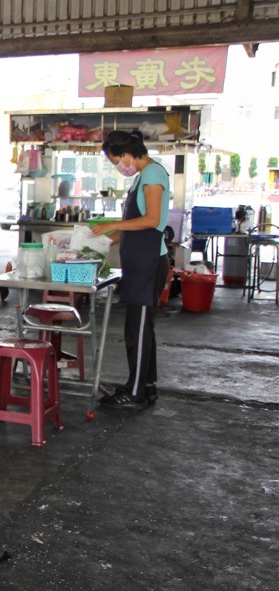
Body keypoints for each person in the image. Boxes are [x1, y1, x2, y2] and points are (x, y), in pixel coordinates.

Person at [90, 130, 171, 411]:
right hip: (139, 261)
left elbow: (151, 220)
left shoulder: (152, 174)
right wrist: (100, 239)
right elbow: (134, 226)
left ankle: (135, 391)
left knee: (137, 329)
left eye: (116, 161)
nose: (118, 167)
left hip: (149, 262)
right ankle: (146, 386)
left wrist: (113, 226)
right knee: (141, 328)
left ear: (127, 153)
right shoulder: (143, 176)